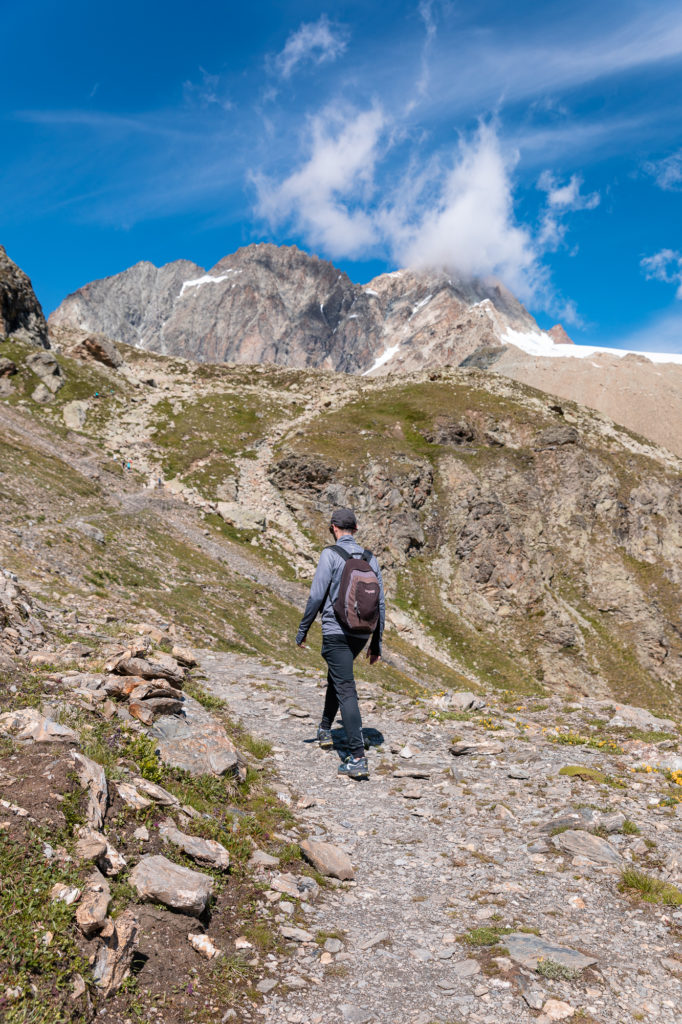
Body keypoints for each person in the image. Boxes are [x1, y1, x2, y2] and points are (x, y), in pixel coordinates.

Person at [296, 508, 385, 780]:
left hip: (336, 631)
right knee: (338, 677)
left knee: (345, 686)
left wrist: (303, 629)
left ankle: (357, 756)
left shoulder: (330, 555)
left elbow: (316, 595)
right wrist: (376, 644)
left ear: (334, 527)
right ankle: (325, 728)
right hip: (361, 634)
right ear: (355, 528)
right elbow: (380, 602)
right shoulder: (371, 558)